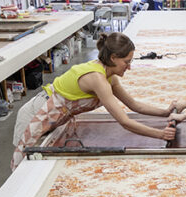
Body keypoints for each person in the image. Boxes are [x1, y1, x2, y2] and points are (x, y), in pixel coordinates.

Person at [11, 33, 176, 167]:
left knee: (37, 164)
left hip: (54, 117)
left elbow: (134, 105)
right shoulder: (97, 78)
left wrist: (166, 113)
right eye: (126, 62)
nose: (129, 67)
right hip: (36, 115)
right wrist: (161, 134)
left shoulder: (109, 76)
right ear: (113, 58)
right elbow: (124, 121)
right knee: (24, 168)